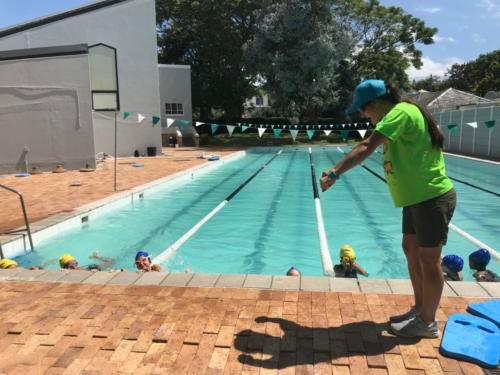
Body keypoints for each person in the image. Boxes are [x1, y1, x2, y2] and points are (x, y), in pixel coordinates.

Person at [320, 79, 456, 338]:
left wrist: (335, 172)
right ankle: (419, 309)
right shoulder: (400, 113)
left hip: (431, 197)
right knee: (411, 250)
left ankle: (428, 322)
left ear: (378, 102)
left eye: (364, 108)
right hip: (417, 199)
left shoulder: (401, 112)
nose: (362, 114)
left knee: (429, 260)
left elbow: (366, 146)